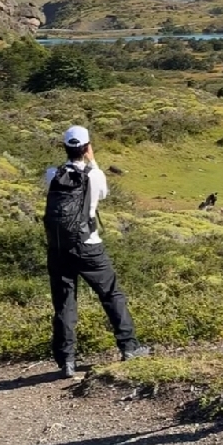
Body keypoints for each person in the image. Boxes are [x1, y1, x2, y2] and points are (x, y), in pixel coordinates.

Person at [44, 125, 148, 379]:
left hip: (59, 247)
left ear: (64, 147)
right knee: (111, 294)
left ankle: (67, 361)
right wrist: (93, 161)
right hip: (88, 244)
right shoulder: (95, 175)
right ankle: (129, 347)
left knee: (64, 302)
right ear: (87, 147)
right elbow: (102, 194)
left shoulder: (52, 174)